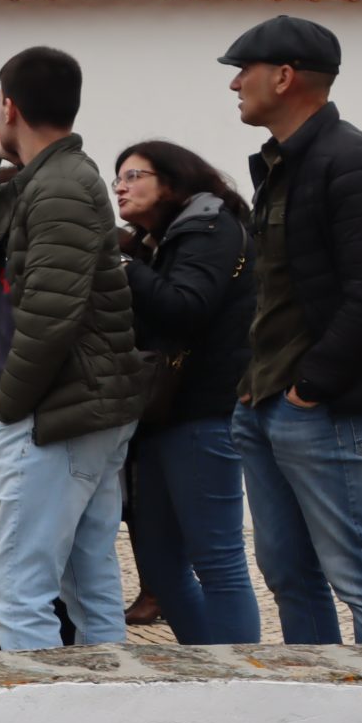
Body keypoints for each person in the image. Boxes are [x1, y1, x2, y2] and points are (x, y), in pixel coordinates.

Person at [223, 16, 362, 645]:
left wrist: (309, 391)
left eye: (245, 69)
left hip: (332, 405)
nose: (235, 83)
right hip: (269, 403)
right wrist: (255, 388)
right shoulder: (284, 164)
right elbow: (280, 293)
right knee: (290, 572)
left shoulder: (352, 160)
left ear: (285, 77)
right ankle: (319, 707)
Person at [0, 47, 143, 650]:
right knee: (86, 581)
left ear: (9, 106)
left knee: (17, 589)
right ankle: (105, 714)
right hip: (84, 406)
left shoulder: (60, 185)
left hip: (57, 410)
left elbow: (47, 320)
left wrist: (9, 408)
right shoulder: (58, 177)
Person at [113, 140, 262, 645]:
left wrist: (125, 268)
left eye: (134, 175)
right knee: (159, 563)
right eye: (119, 177)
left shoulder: (208, 228)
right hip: (161, 415)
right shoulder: (159, 240)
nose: (120, 185)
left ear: (173, 182)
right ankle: (209, 667)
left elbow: (185, 307)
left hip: (204, 413)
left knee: (217, 560)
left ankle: (240, 682)